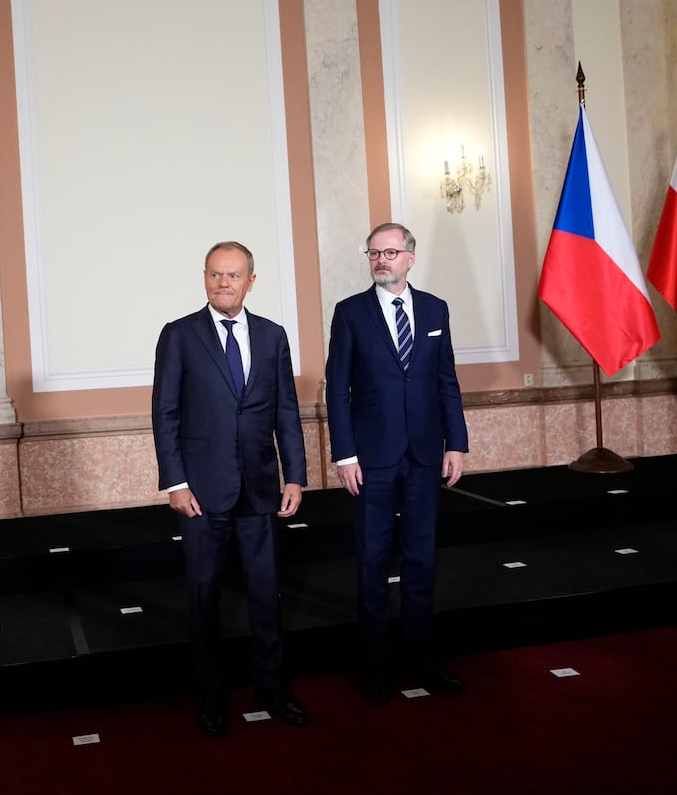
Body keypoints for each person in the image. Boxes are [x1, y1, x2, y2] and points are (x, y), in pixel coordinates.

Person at [152, 241, 309, 736]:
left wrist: (296, 475)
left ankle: (272, 687)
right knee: (204, 597)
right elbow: (165, 414)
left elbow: (286, 411)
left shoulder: (273, 336)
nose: (224, 283)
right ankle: (212, 694)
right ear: (204, 278)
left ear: (251, 281)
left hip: (261, 489)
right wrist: (174, 482)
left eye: (234, 275)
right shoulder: (178, 336)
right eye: (216, 275)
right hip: (199, 492)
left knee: (265, 594)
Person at [324, 222, 469, 702]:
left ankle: (423, 659)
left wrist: (456, 443)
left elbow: (446, 380)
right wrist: (344, 454)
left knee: (422, 560)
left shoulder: (435, 309)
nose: (380, 260)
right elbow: (338, 392)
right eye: (373, 254)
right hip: (371, 459)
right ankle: (376, 667)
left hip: (426, 455)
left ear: (410, 257)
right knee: (370, 560)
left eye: (389, 252)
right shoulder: (349, 314)